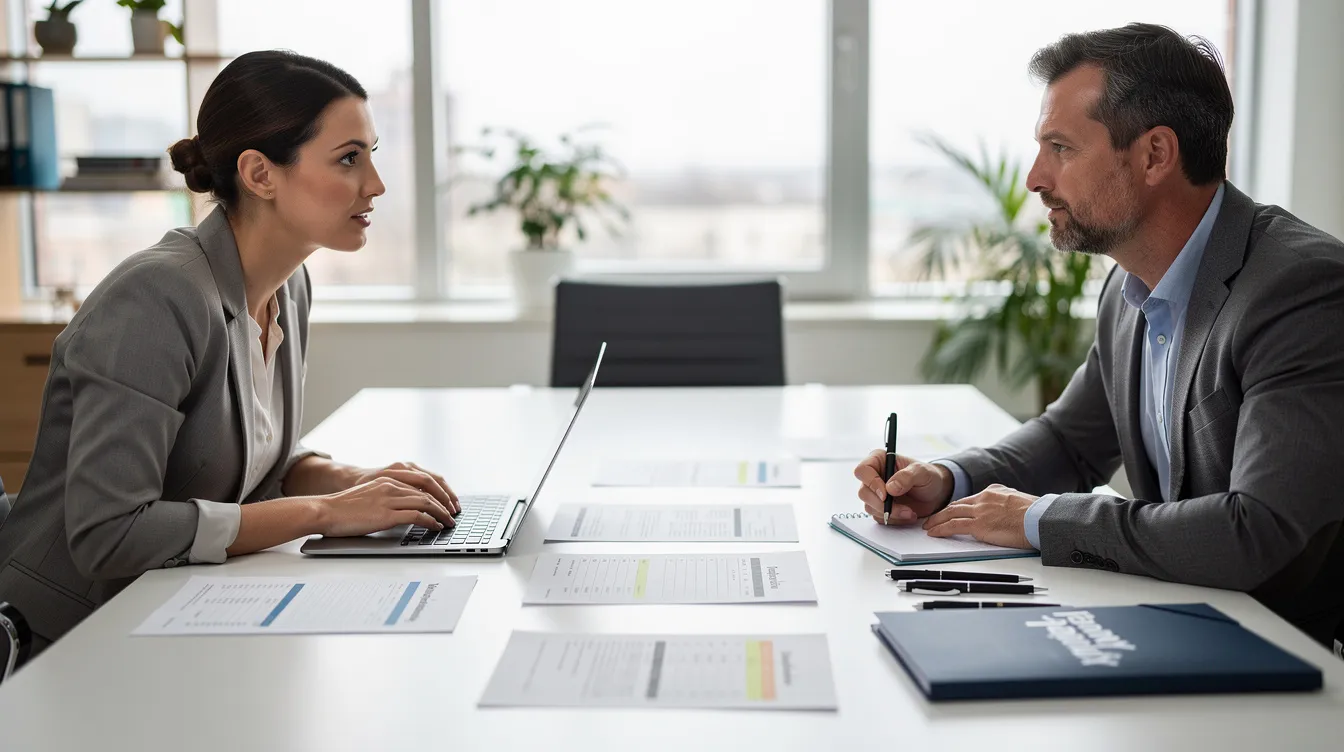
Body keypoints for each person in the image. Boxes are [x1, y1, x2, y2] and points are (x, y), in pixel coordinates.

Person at [854, 23, 1344, 646]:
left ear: (1154, 155)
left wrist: (1040, 517)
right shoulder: (1128, 287)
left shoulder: (1301, 289)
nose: (1035, 177)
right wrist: (949, 480)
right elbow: (1069, 442)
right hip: (1189, 626)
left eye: (1060, 147)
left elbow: (1259, 531)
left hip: (1299, 660)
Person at [0, 51, 461, 661]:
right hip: (65, 641)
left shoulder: (287, 286)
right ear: (261, 174)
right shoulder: (155, 298)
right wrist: (324, 511)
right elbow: (109, 535)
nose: (374, 184)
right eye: (350, 158)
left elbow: (240, 462)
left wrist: (351, 481)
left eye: (372, 155)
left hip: (174, 610)